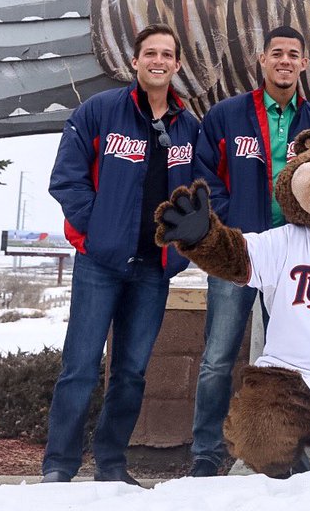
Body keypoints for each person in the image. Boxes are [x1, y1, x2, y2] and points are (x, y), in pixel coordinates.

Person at [41, 24, 201, 485]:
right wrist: (98, 233)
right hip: (101, 264)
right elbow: (67, 179)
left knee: (131, 373)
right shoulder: (99, 112)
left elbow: (200, 194)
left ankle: (111, 464)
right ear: (134, 62)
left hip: (154, 269)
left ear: (176, 64)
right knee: (80, 367)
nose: (158, 60)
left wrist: (185, 244)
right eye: (149, 52)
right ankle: (59, 465)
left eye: (167, 54)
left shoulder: (188, 127)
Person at [186, 25, 310, 477]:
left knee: (290, 364)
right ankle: (207, 452)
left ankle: (288, 450)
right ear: (261, 60)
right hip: (239, 254)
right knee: (217, 358)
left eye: (294, 54)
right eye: (277, 53)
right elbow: (204, 174)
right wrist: (231, 226)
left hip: (295, 260)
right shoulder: (227, 117)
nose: (285, 61)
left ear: (305, 63)